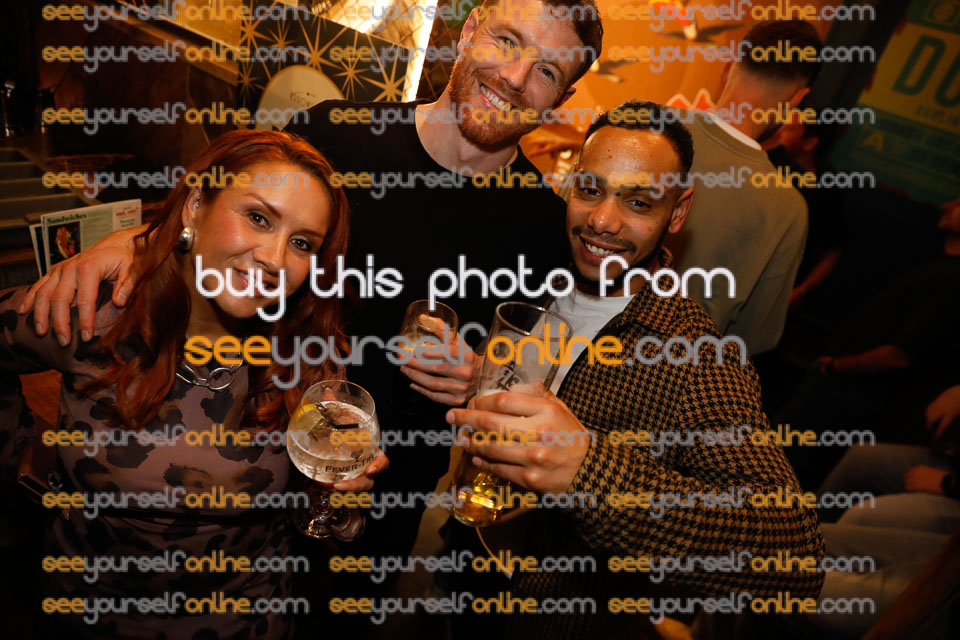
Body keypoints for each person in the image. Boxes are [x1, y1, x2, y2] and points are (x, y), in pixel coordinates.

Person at [19, 0, 604, 573]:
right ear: (471, 29)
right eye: (507, 40)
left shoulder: (544, 229)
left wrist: (478, 381)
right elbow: (226, 214)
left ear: (563, 97)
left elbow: (523, 383)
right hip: (243, 455)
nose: (515, 77)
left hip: (382, 502)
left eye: (547, 71)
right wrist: (136, 241)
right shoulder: (335, 134)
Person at [439, 101, 824, 639]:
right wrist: (472, 371)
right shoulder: (536, 268)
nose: (602, 220)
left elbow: (793, 558)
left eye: (638, 202)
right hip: (463, 558)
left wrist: (589, 472)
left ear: (678, 213)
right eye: (590, 190)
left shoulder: (691, 352)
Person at [0, 130, 387, 639]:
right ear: (196, 205)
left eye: (301, 243)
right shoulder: (98, 313)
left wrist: (335, 502)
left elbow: (321, 526)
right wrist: (21, 453)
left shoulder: (308, 354)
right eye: (258, 217)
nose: (274, 259)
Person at [664, 20, 823, 354]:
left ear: (728, 67)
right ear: (797, 99)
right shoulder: (787, 211)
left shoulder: (634, 122)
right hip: (665, 375)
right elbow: (754, 339)